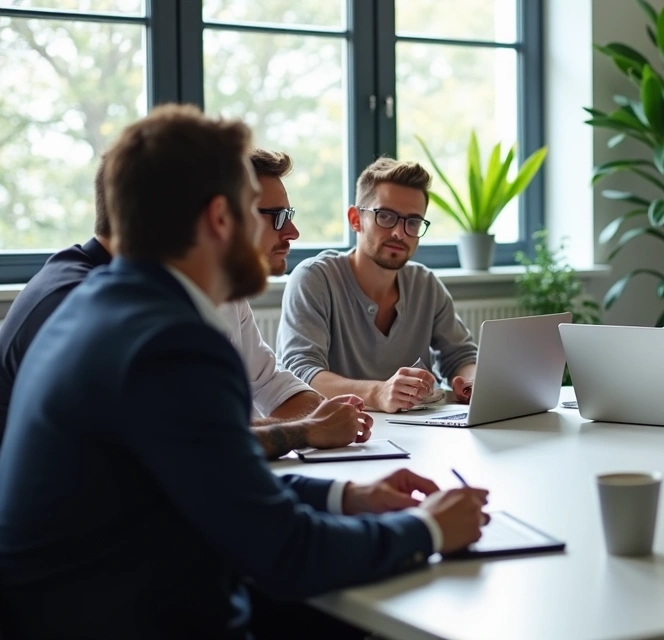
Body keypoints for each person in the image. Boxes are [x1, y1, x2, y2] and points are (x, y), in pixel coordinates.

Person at [0, 104, 490, 638]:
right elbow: (287, 551)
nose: (294, 231)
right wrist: (427, 529)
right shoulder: (170, 344)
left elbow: (216, 474)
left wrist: (345, 495)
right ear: (219, 218)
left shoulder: (106, 304)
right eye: (269, 213)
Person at [0, 150, 363, 459]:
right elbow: (193, 444)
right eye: (278, 217)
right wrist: (305, 430)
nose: (293, 233)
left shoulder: (157, 293)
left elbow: (262, 386)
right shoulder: (80, 305)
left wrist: (318, 425)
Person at [277, 157, 479, 413]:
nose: (400, 233)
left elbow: (461, 357)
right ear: (355, 219)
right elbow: (302, 373)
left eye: (413, 222)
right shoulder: (315, 279)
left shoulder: (426, 284)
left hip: (420, 432)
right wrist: (377, 392)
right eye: (385, 216)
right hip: (343, 435)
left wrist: (471, 380)